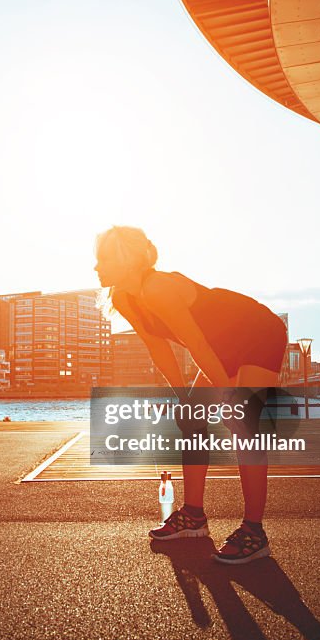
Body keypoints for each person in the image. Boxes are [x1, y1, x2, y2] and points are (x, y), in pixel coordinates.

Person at [94, 225, 287, 564]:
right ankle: (194, 516)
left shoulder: (157, 289)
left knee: (243, 427)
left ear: (127, 259)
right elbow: (160, 350)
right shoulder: (124, 298)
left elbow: (196, 344)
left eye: (104, 258)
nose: (96, 267)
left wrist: (229, 395)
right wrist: (183, 396)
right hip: (221, 346)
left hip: (257, 332)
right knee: (190, 417)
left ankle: (254, 531)